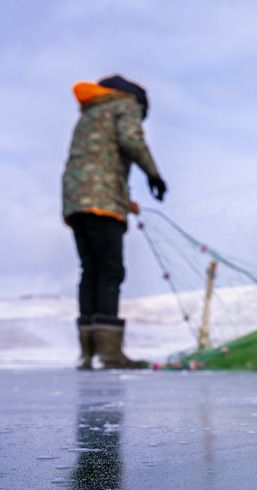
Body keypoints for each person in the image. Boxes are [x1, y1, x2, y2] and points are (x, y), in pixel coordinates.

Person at [62, 74, 168, 369]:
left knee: (90, 271)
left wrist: (125, 200)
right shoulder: (124, 105)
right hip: (103, 203)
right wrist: (154, 174)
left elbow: (98, 162)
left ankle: (88, 354)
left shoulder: (90, 113)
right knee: (110, 271)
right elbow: (131, 141)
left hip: (75, 202)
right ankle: (108, 354)